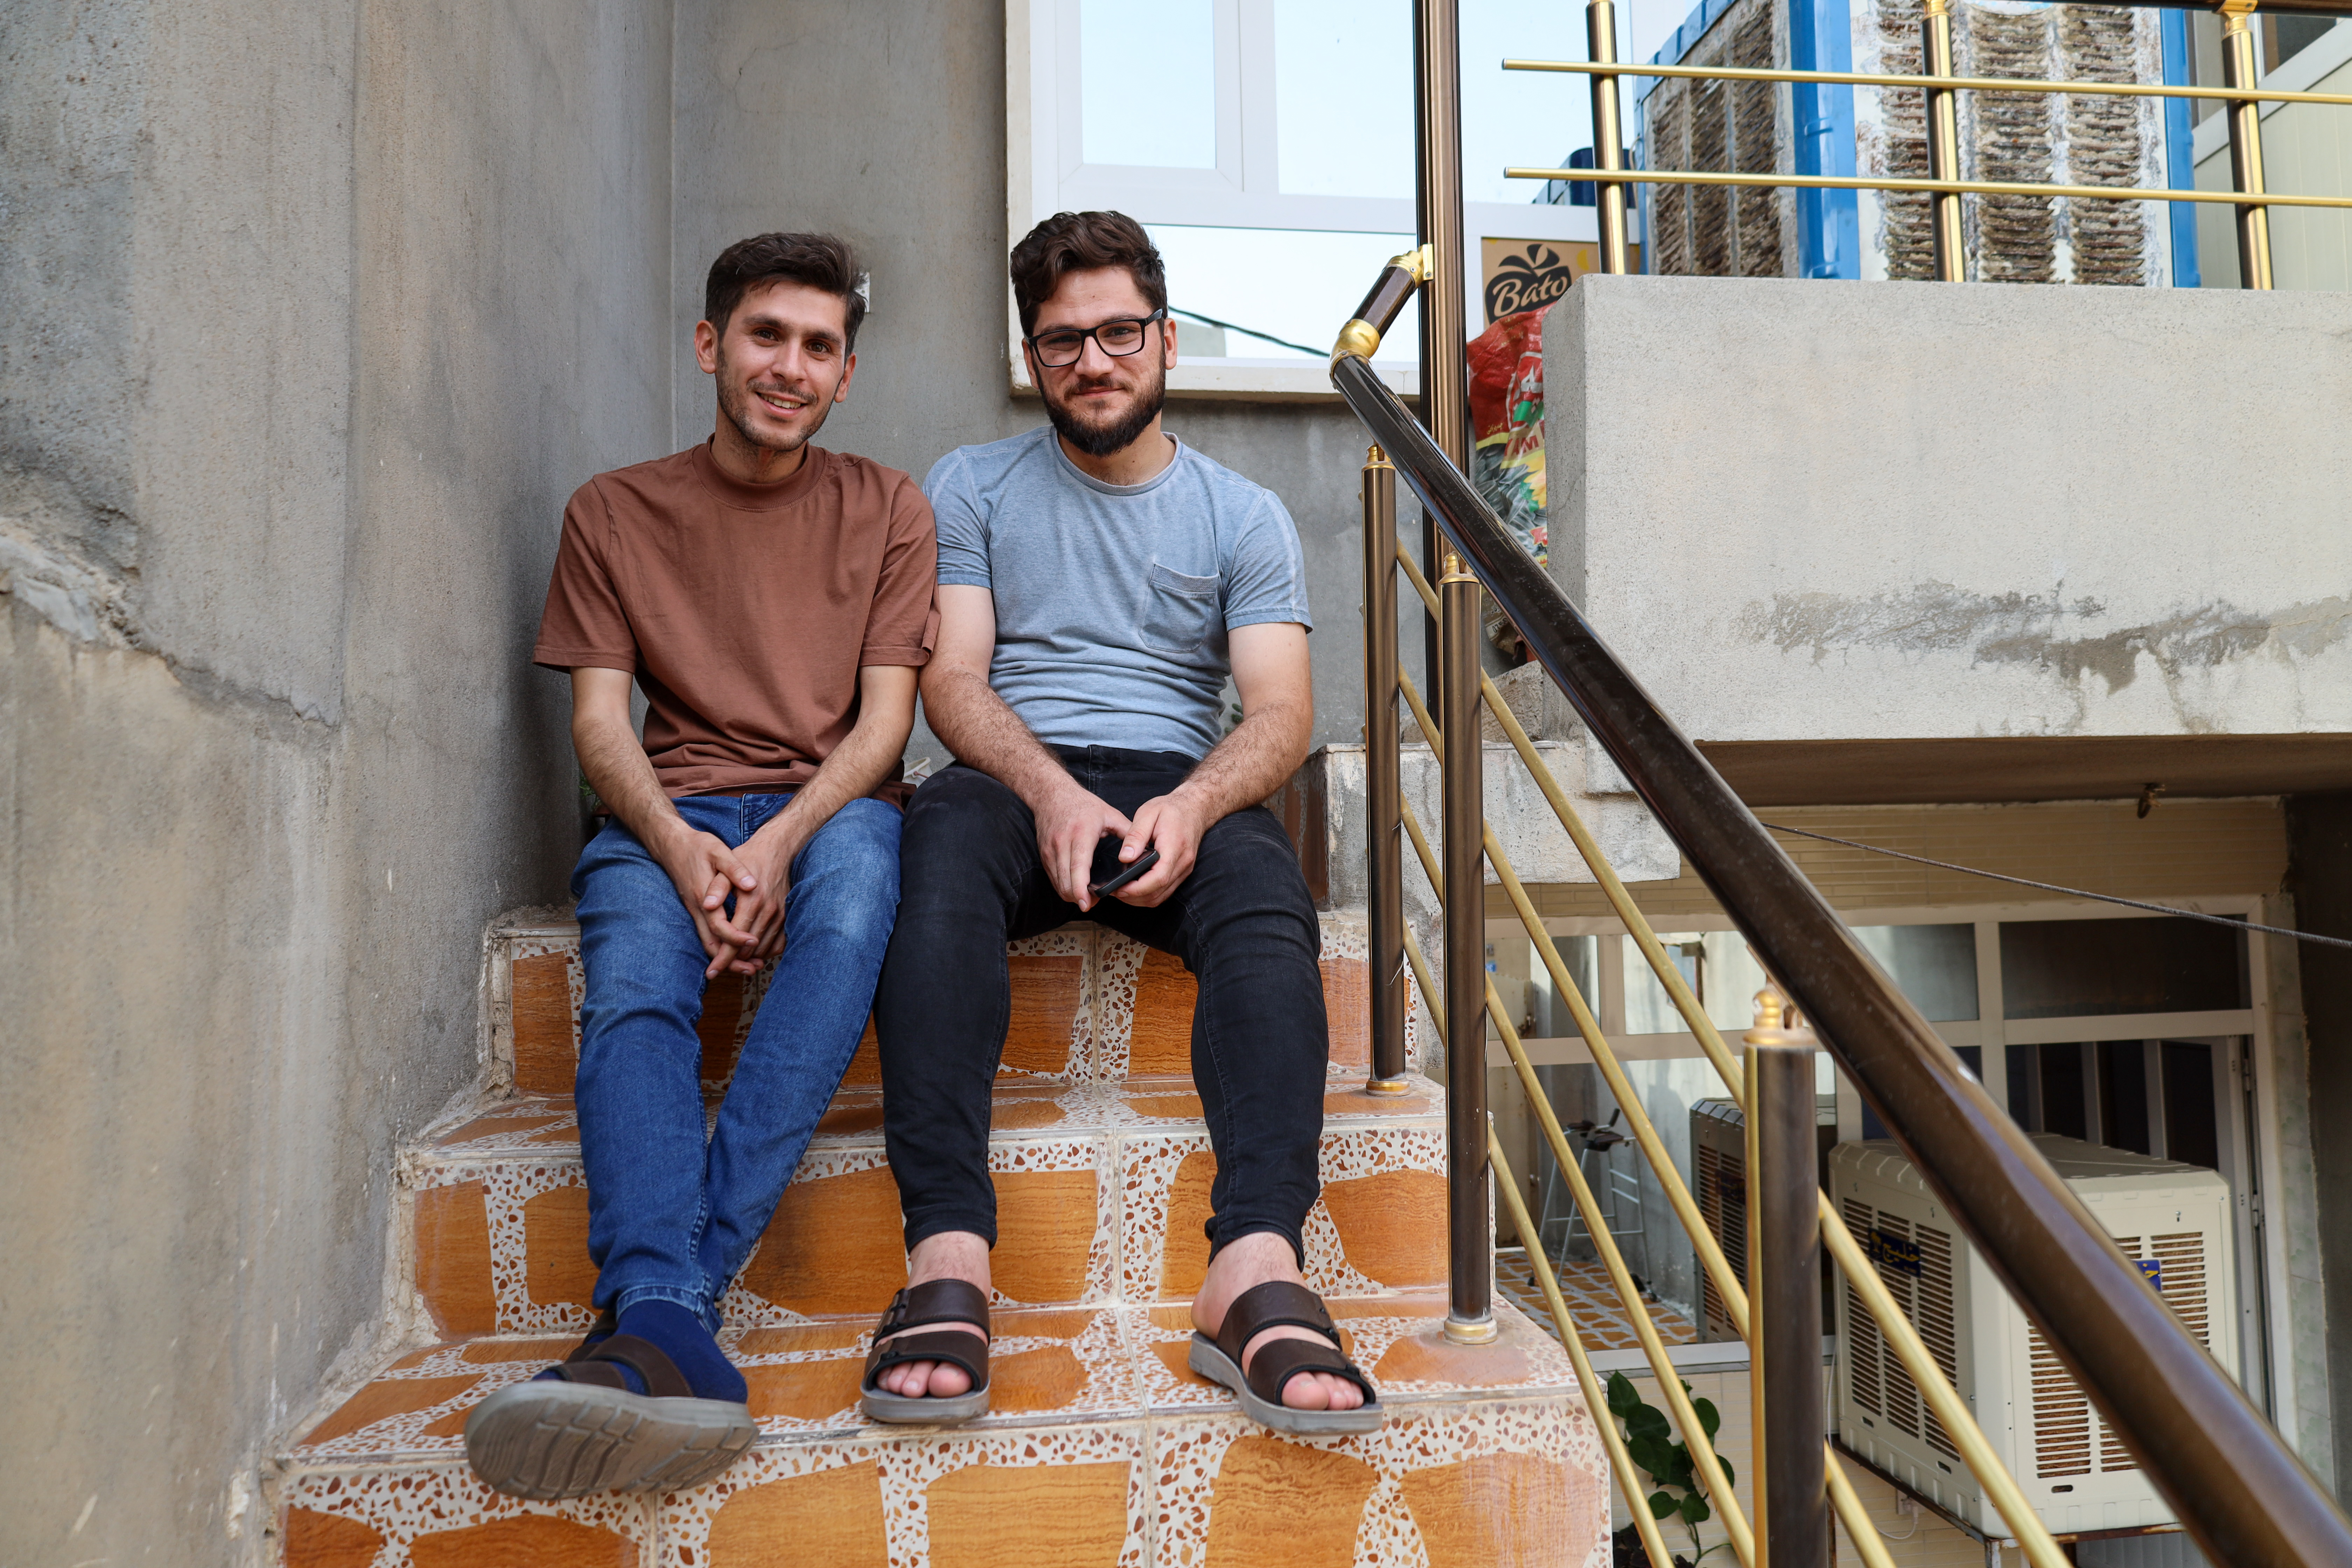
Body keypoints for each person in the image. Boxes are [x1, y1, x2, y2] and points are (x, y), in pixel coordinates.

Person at [857, 210, 1380, 1435]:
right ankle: (950, 1258)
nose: (1093, 361)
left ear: (1168, 339)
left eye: (1118, 333)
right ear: (1032, 357)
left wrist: (1193, 801)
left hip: (1172, 784)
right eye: (1061, 342)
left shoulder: (1241, 515)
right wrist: (1049, 791)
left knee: (1265, 897)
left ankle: (1253, 1267)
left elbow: (1280, 711)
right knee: (926, 864)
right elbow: (955, 682)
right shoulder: (972, 483)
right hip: (1011, 774)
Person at [465, 232, 937, 1498]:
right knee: (631, 993)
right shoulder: (613, 512)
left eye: (819, 347)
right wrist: (680, 850)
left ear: (847, 374)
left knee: (845, 924)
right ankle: (675, 1325)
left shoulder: (889, 505)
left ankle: (661, 1312)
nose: (790, 366)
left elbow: (887, 726)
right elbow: (599, 728)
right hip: (661, 812)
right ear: (710, 345)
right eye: (766, 336)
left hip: (827, 809)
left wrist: (779, 842)